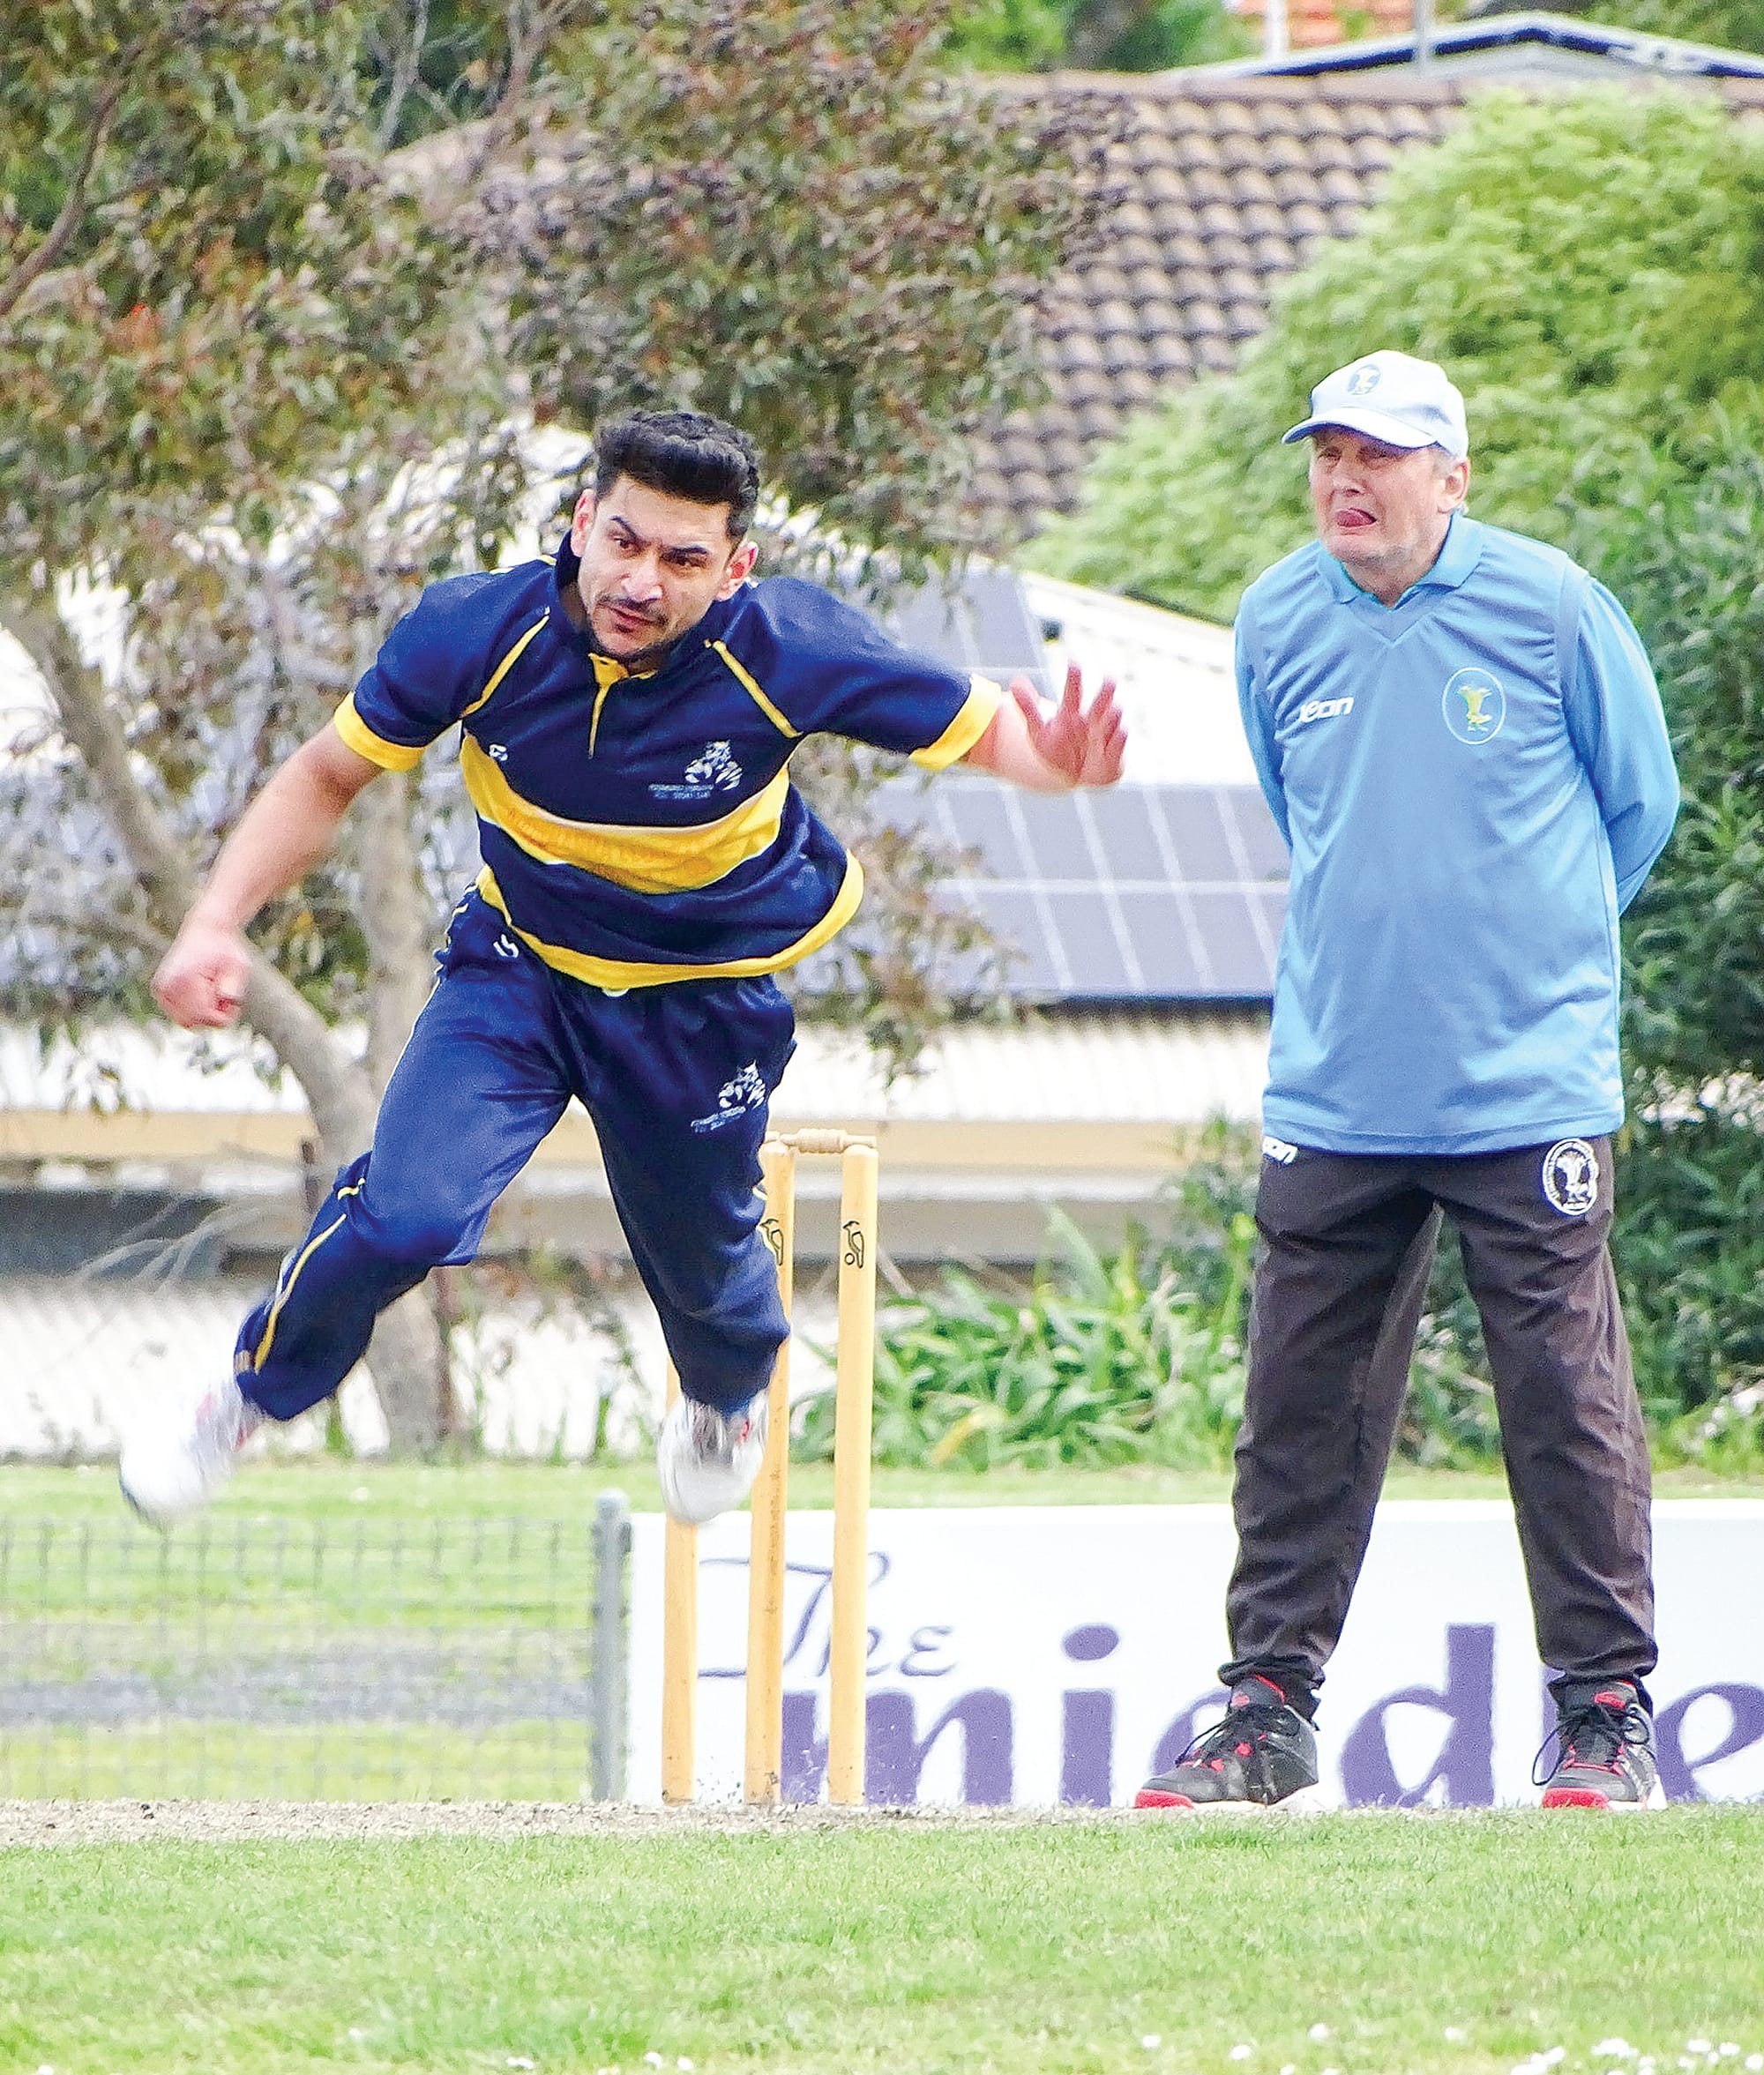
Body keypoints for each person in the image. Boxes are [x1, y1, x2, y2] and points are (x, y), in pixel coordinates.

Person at [123, 409, 1124, 1530]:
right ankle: (248, 1397)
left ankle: (721, 1396)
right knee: (402, 1214)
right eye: (624, 542)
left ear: (735, 571)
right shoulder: (473, 632)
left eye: (683, 559)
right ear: (580, 524)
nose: (641, 581)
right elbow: (324, 777)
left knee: (701, 1261)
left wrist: (1059, 769)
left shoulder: (787, 650)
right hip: (520, 969)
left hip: (693, 998)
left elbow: (997, 737)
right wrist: (216, 921)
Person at [1135, 351, 1679, 1814]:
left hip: (1527, 1083)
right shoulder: (1272, 620)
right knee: (1296, 1406)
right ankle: (1265, 1714)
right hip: (1339, 1085)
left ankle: (1607, 1717)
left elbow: (1641, 805)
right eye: (1329, 454)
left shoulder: (1555, 607)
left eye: (1381, 456)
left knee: (1562, 1393)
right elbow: (1303, 809)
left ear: (1454, 474)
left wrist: (1531, 960)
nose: (1347, 482)